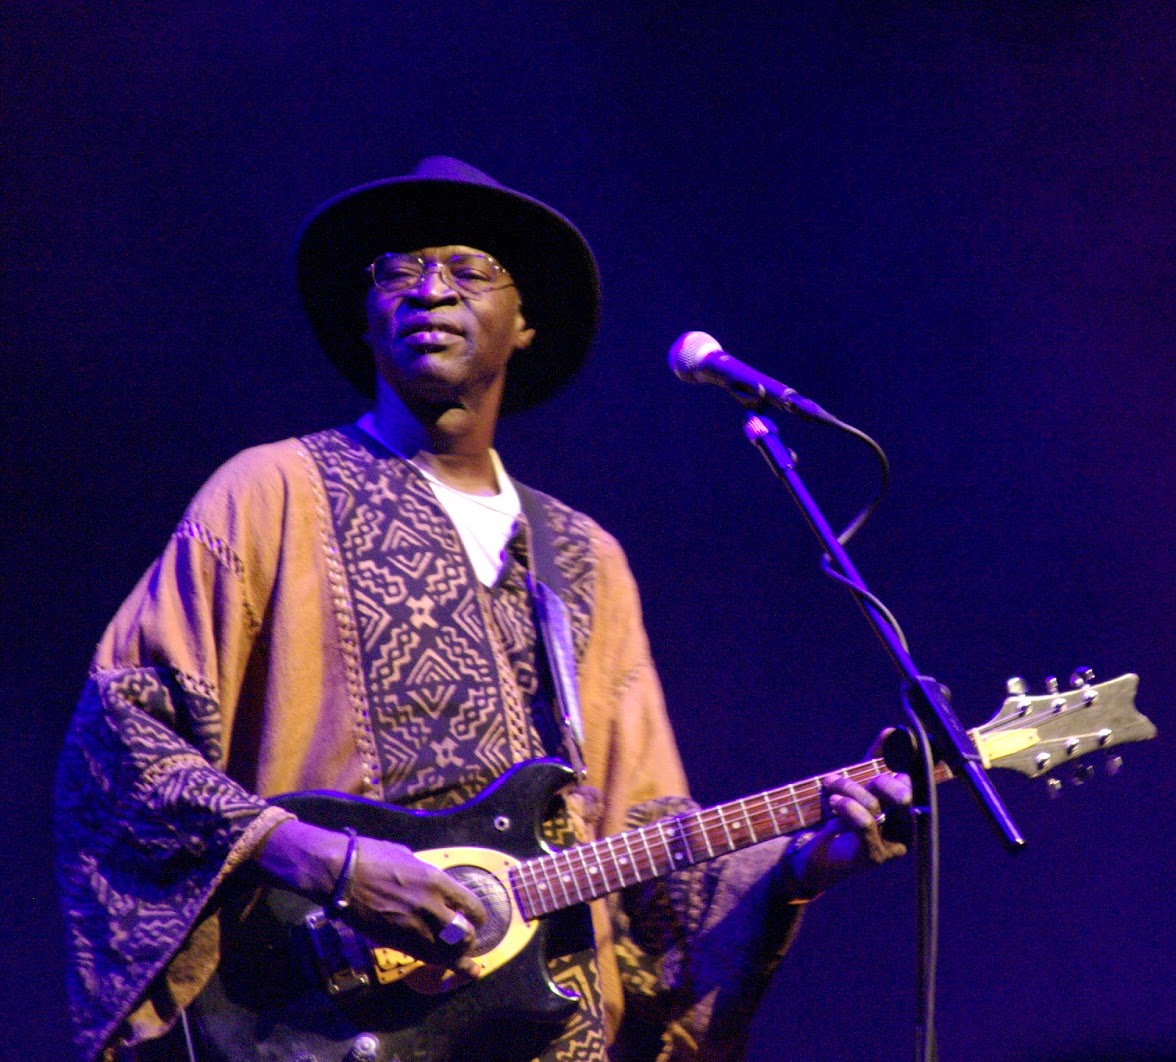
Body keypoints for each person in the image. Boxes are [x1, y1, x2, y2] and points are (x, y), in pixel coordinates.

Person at [55, 157, 912, 1062]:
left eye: (466, 270)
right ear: (367, 309)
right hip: (317, 1022)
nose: (429, 289)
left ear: (525, 323)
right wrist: (331, 863)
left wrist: (801, 864)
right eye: (398, 269)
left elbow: (644, 846)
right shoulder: (271, 493)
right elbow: (122, 740)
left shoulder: (583, 559)